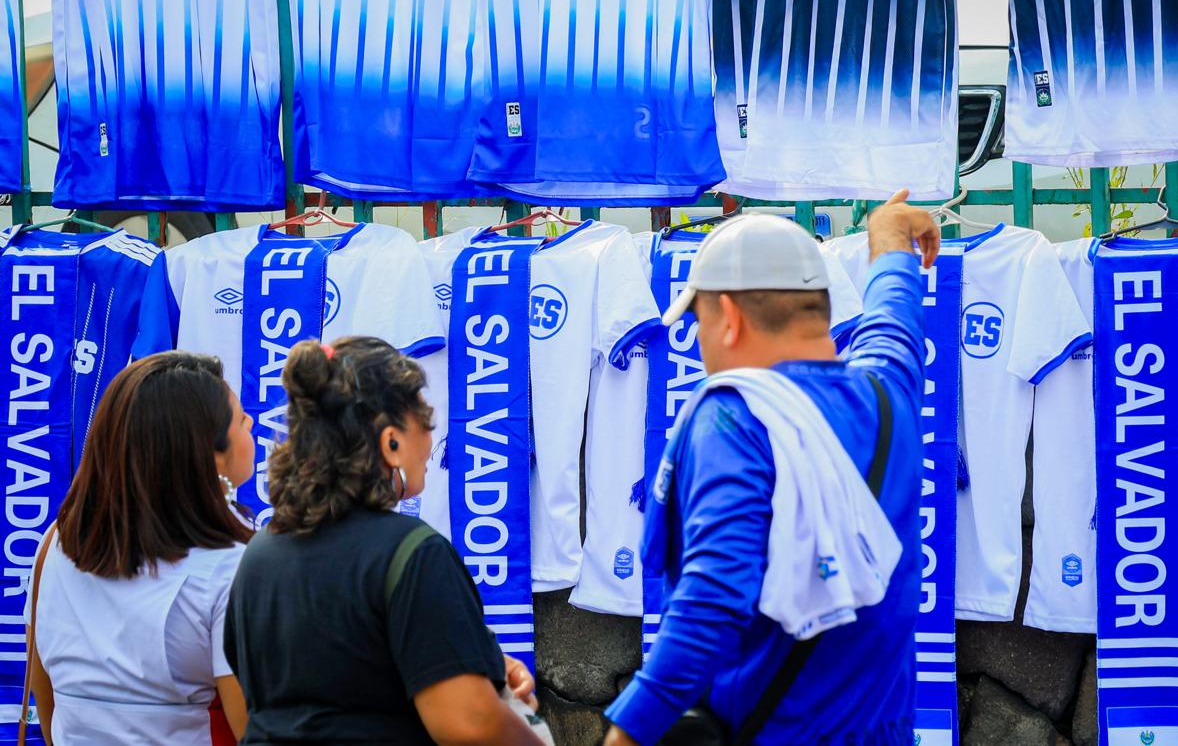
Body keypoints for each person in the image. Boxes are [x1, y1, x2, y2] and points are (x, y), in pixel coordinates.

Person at [604, 191, 940, 744]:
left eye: (699, 321)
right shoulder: (889, 395)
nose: (700, 340)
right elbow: (893, 313)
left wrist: (628, 733)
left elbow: (713, 594)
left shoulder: (733, 419)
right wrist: (888, 232)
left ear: (729, 317)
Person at [224, 337, 544, 745]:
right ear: (391, 442)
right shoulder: (413, 554)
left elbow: (332, 674)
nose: (432, 437)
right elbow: (472, 725)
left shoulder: (260, 553)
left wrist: (475, 660)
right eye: (424, 418)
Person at [27, 352, 256, 744]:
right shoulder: (230, 568)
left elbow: (47, 705)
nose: (251, 421)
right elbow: (255, 729)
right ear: (205, 456)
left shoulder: (55, 544)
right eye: (239, 419)